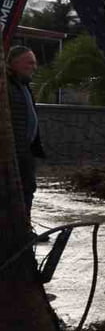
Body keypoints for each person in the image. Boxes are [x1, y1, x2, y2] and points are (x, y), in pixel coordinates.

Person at [6, 46, 45, 219]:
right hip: (12, 151)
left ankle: (24, 227)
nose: (34, 67)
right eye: (30, 62)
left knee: (28, 189)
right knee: (14, 191)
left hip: (25, 150)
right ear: (14, 63)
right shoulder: (6, 86)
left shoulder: (23, 86)